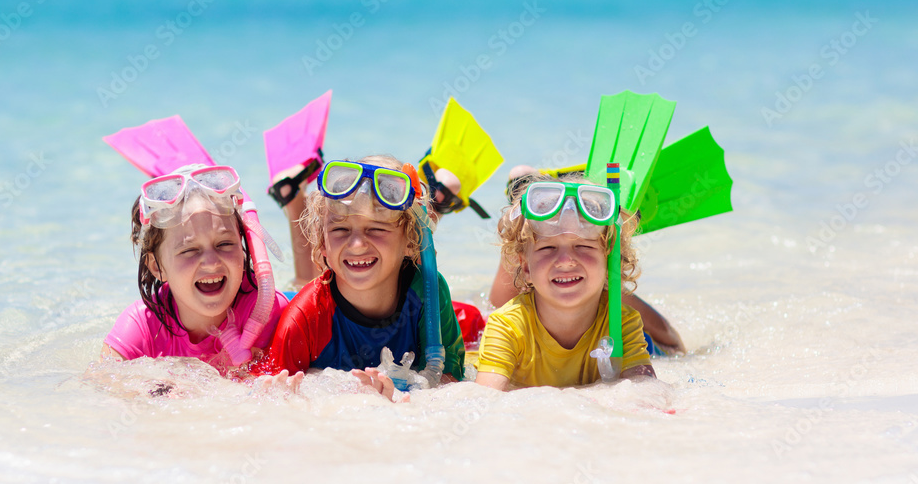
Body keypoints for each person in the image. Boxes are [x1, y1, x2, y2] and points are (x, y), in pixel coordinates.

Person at [267, 155, 465, 399]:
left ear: (411, 241)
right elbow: (271, 397)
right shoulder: (302, 320)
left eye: (377, 229)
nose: (358, 244)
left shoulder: (428, 293)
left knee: (472, 318)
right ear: (322, 243)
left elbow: (451, 382)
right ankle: (295, 200)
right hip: (306, 300)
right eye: (340, 229)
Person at [101, 164, 291, 378]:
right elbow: (101, 388)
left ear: (243, 246)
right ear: (157, 267)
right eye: (190, 250)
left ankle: (294, 200)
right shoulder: (143, 327)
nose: (211, 263)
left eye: (224, 244)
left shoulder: (267, 311)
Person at [474, 172, 656, 391]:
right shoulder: (507, 327)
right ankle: (521, 180)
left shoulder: (621, 323)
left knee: (670, 345)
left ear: (610, 260)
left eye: (583, 246)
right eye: (548, 247)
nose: (565, 261)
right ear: (525, 267)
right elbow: (483, 400)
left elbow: (647, 392)